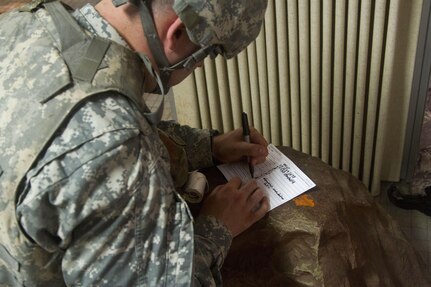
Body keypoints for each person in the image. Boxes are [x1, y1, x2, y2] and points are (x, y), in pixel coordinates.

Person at [0, 0, 269, 285]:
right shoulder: (114, 143)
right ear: (177, 32)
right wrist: (218, 227)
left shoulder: (23, 22)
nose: (199, 65)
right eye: (208, 52)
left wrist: (210, 146)